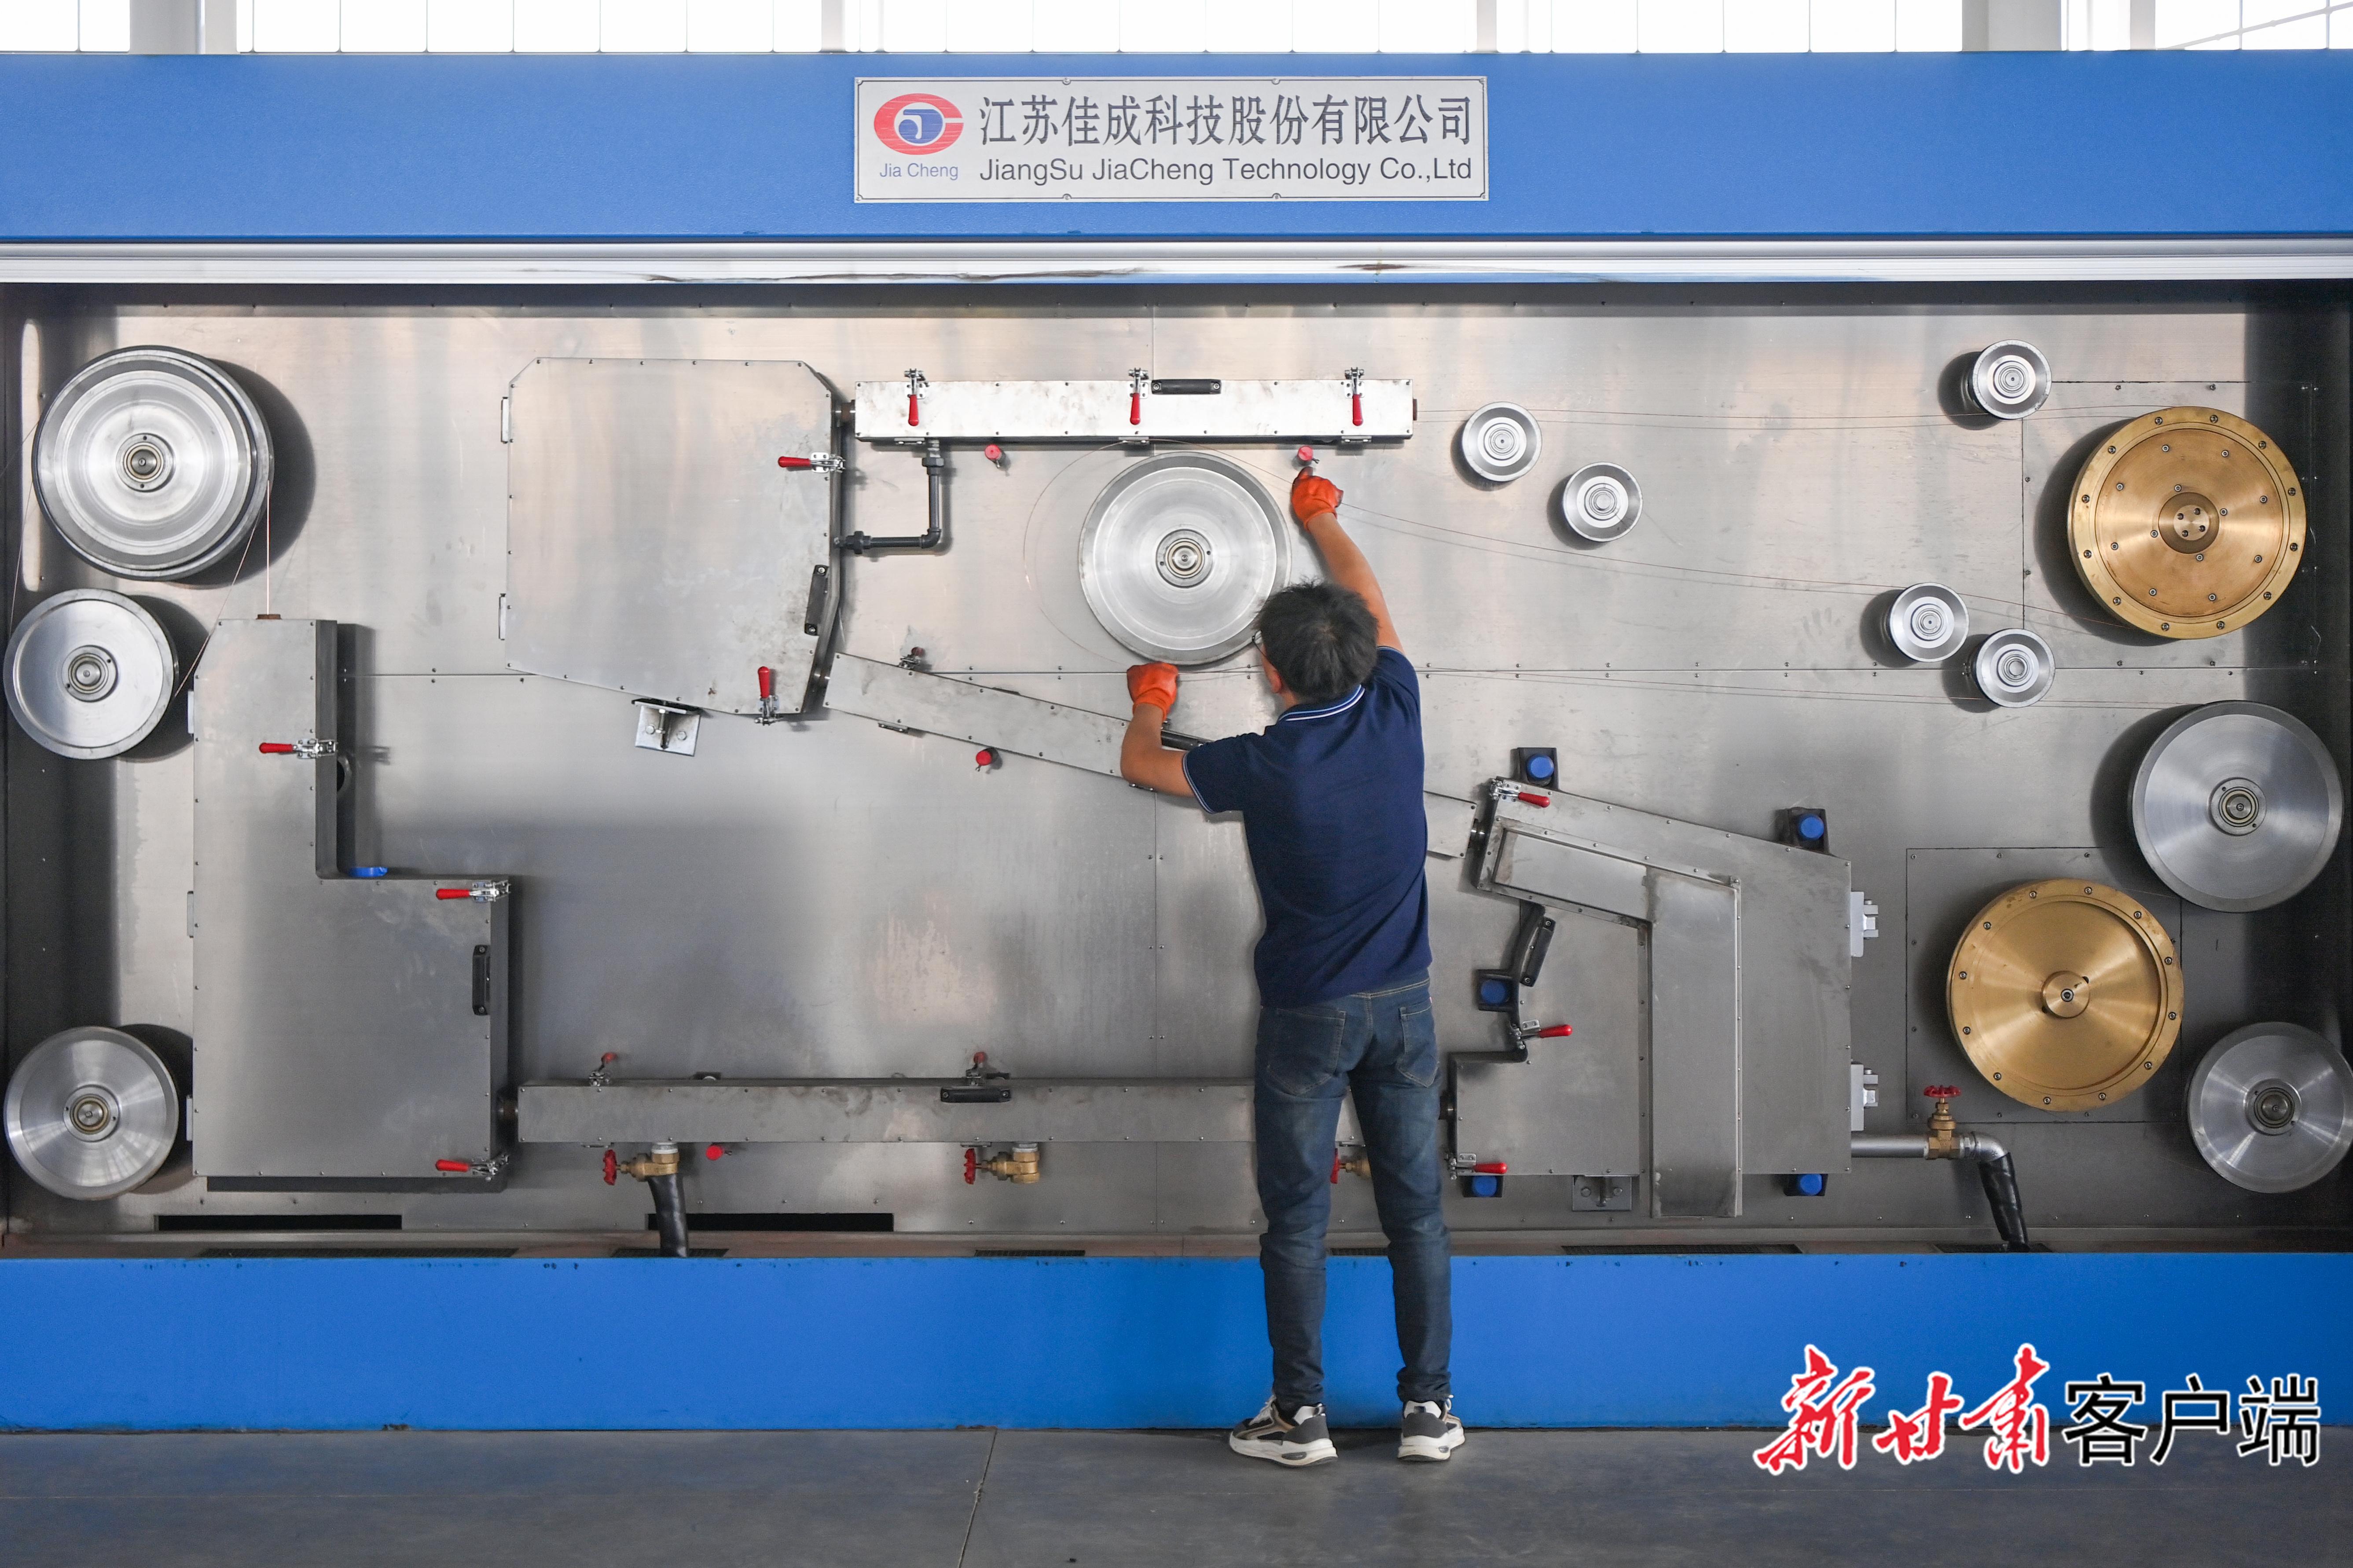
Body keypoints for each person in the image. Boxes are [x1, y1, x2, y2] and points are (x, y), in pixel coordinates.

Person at [1119, 467, 1461, 1468]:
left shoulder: (1263, 765)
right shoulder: (1396, 707)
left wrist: (1151, 703)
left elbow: (1142, 765)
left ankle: (1298, 1418)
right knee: (1417, 1216)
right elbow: (1369, 599)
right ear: (1360, 653)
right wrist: (1320, 516)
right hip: (1406, 1008)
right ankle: (1429, 1412)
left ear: (1270, 673)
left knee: (1299, 1219)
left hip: (1309, 1016)